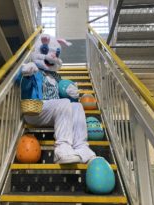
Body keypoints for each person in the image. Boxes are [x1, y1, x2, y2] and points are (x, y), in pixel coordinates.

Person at [16, 34, 96, 164]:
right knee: (64, 103)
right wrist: (25, 74)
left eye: (56, 53)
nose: (53, 56)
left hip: (54, 113)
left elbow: (67, 103)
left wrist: (72, 94)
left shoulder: (57, 77)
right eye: (45, 51)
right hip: (35, 111)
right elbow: (22, 86)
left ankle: (81, 147)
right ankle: (62, 149)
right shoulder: (35, 70)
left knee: (77, 106)